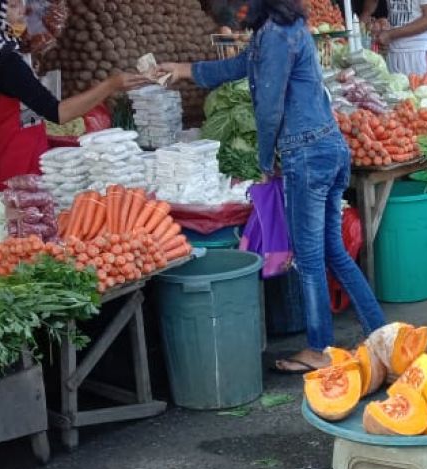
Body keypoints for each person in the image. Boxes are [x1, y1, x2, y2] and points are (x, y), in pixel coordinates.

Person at [160, 0, 386, 374]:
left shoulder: (274, 36)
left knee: (310, 259)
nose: (236, 16)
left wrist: (265, 163)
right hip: (328, 146)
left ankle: (320, 349)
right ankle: (380, 332)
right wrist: (185, 70)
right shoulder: (286, 26)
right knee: (331, 250)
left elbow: (268, 108)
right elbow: (240, 65)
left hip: (307, 152)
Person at [0, 0, 146, 190]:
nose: (23, 11)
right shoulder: (9, 64)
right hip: (23, 167)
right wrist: (111, 85)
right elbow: (58, 113)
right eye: (13, 7)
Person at [361, 0, 427, 78]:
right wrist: (365, 16)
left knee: (422, 89)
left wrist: (390, 35)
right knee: (396, 89)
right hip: (393, 51)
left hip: (420, 51)